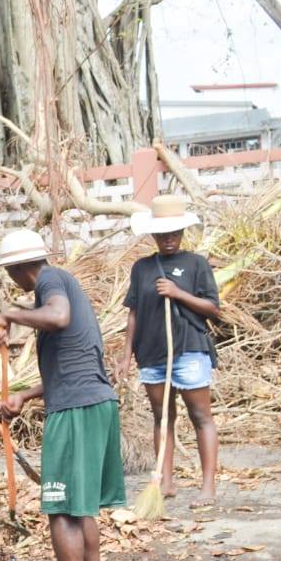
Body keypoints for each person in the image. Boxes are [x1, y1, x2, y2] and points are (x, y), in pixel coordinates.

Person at [0, 228, 124, 561]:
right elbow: (73, 364)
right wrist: (26, 396)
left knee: (61, 507)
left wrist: (9, 313)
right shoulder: (65, 284)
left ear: (17, 270)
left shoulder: (51, 281)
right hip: (95, 401)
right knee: (81, 506)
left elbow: (57, 317)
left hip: (75, 410)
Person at [114, 195, 222, 507]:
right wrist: (126, 356)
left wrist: (177, 293)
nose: (169, 239)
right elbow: (133, 313)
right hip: (152, 354)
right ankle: (166, 482)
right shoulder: (142, 268)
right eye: (162, 234)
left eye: (174, 233)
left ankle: (208, 487)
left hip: (188, 349)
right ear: (154, 235)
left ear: (182, 232)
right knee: (163, 417)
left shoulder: (196, 264)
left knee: (200, 415)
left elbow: (213, 308)